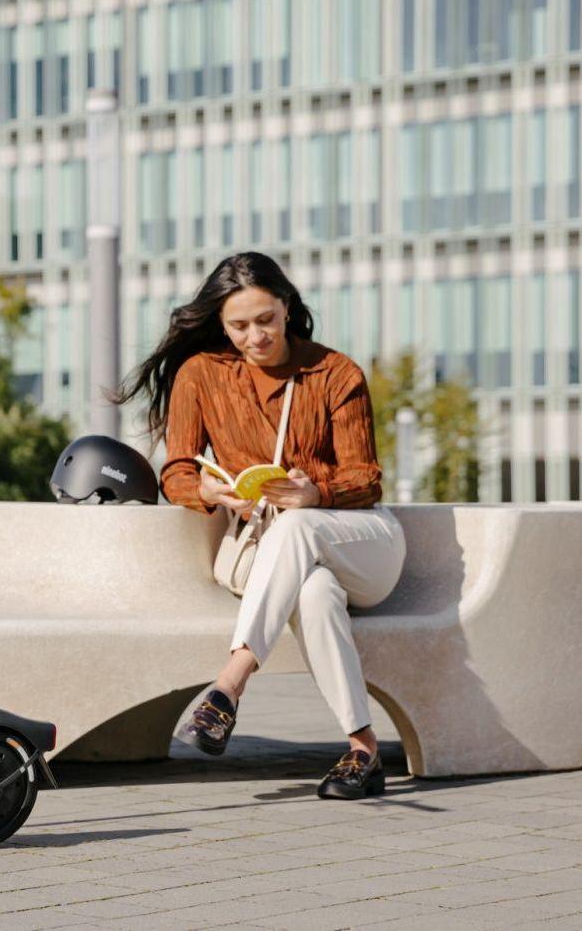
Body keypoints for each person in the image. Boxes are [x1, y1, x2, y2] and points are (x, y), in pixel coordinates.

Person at [113, 252, 406, 800]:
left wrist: (315, 493)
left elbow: (367, 479)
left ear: (287, 308)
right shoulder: (201, 374)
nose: (256, 336)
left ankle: (228, 685)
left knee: (297, 527)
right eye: (240, 326)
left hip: (362, 543)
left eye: (266, 320)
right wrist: (204, 490)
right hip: (276, 555)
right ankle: (363, 749)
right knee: (315, 594)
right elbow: (175, 469)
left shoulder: (335, 373)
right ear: (221, 326)